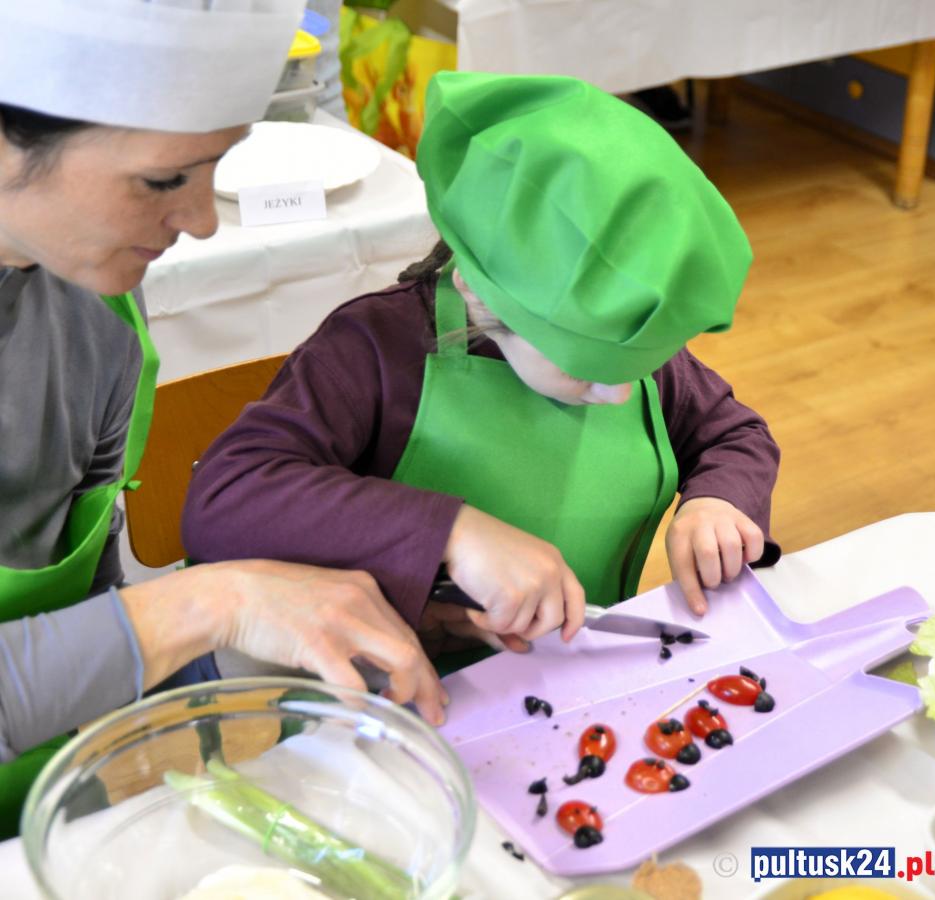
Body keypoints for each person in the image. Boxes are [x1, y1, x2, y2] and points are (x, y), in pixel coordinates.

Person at [0, 0, 445, 836]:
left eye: (217, 167)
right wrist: (215, 603)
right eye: (164, 180)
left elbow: (87, 601)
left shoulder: (95, 311)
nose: (202, 221)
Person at [182, 72, 781, 661]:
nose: (619, 393)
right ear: (478, 294)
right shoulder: (371, 352)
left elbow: (733, 433)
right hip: (395, 685)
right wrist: (453, 532)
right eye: (583, 368)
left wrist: (718, 500)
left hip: (569, 676)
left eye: (638, 367)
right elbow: (226, 499)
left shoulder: (621, 331)